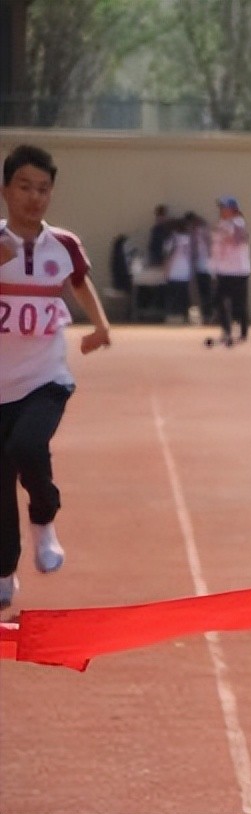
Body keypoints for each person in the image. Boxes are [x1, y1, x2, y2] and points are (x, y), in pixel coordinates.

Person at [0, 144, 112, 608]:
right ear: (6, 190)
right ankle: (4, 575)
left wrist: (100, 326)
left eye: (43, 189)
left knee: (27, 447)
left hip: (45, 378)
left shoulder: (63, 244)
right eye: (24, 186)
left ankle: (44, 519)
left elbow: (80, 283)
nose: (34, 197)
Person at [210, 196, 251, 346]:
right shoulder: (221, 224)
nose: (221, 210)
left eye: (224, 207)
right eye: (221, 207)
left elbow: (241, 238)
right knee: (220, 300)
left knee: (239, 303)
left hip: (238, 270)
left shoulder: (238, 223)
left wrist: (230, 236)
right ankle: (226, 330)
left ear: (232, 209)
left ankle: (243, 331)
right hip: (223, 269)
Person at [163, 217, 193, 322]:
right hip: (185, 272)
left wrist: (166, 270)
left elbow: (167, 255)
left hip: (173, 272)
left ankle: (172, 316)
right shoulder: (189, 239)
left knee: (172, 296)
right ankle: (184, 316)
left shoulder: (173, 239)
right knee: (183, 297)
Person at [185, 211, 212, 324]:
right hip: (203, 265)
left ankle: (208, 314)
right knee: (203, 291)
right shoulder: (201, 231)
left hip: (204, 266)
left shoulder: (200, 232)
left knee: (205, 291)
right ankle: (206, 313)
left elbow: (197, 249)